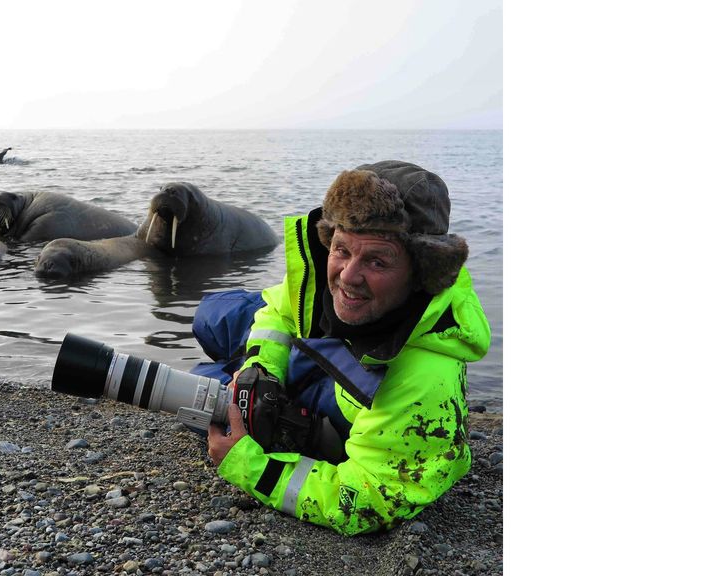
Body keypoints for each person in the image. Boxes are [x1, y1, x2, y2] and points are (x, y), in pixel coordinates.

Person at [204, 160, 491, 536]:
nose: (348, 277)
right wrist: (260, 370)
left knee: (203, 387)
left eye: (377, 260)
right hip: (329, 358)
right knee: (211, 314)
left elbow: (363, 501)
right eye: (341, 250)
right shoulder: (328, 274)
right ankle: (246, 372)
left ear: (421, 272)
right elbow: (278, 310)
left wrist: (247, 463)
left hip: (360, 396)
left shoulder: (425, 382)